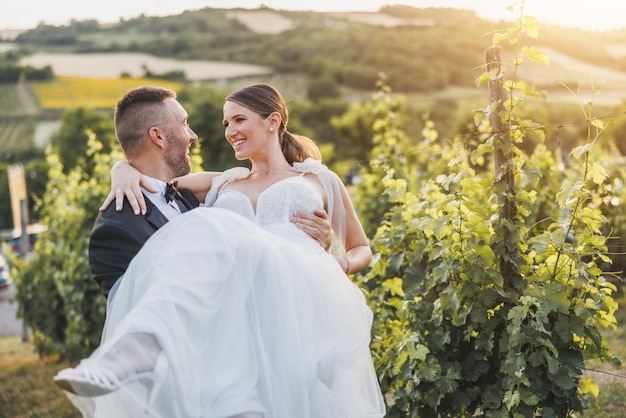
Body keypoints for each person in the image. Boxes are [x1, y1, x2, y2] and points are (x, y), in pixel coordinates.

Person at [54, 83, 386, 417]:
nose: (230, 131)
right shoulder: (226, 182)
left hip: (298, 301)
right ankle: (138, 349)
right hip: (241, 316)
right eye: (226, 123)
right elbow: (158, 181)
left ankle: (140, 350)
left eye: (239, 120)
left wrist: (338, 263)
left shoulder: (319, 179)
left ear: (273, 121)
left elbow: (362, 247)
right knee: (204, 227)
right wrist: (120, 169)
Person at [86, 86, 331, 300]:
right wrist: (120, 168)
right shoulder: (116, 230)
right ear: (158, 136)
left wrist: (313, 246)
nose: (193, 135)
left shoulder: (190, 198)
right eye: (184, 124)